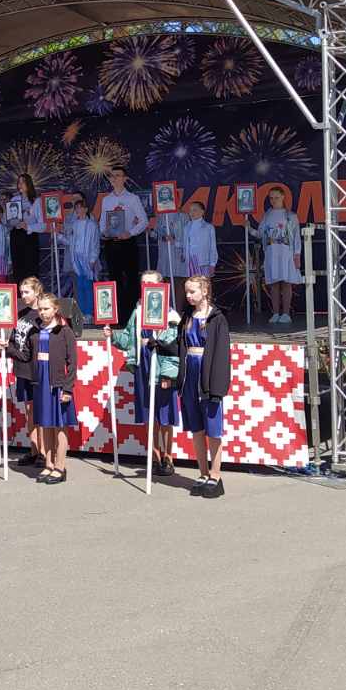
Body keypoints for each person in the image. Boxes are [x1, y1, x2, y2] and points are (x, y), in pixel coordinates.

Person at [156, 275, 232, 497]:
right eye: (187, 292)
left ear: (205, 291)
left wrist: (218, 387)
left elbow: (222, 354)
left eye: (193, 292)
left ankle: (216, 475)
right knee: (196, 428)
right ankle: (203, 473)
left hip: (207, 376)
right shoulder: (187, 317)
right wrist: (158, 344)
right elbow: (179, 345)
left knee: (213, 429)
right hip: (189, 374)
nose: (188, 296)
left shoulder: (217, 319)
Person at [106, 270, 181, 476]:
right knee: (150, 414)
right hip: (144, 364)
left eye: (150, 282)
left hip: (161, 364)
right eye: (143, 283)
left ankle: (168, 457)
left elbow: (173, 347)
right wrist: (113, 336)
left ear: (161, 285)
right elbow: (129, 338)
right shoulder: (138, 311)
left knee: (165, 413)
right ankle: (154, 457)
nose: (146, 286)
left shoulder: (170, 315)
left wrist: (168, 374)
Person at [29, 292, 78, 485]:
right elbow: (26, 355)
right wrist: (6, 349)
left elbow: (72, 363)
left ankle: (60, 467)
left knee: (60, 426)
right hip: (40, 384)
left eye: (46, 308)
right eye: (40, 309)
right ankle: (48, 464)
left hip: (57, 384)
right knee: (45, 425)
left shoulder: (65, 332)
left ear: (55, 309)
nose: (42, 312)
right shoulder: (35, 330)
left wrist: (68, 389)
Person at [5, 275, 47, 468]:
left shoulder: (42, 314)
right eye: (21, 292)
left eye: (26, 292)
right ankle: (34, 449)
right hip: (22, 369)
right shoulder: (21, 314)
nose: (23, 295)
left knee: (39, 411)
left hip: (35, 369)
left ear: (37, 292)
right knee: (29, 412)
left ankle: (44, 451)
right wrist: (8, 347)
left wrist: (12, 350)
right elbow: (14, 338)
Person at [99, 166, 149, 322]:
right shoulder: (106, 199)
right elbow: (102, 222)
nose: (114, 178)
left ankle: (133, 317)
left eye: (118, 175)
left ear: (124, 178)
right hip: (111, 243)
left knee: (131, 279)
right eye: (112, 176)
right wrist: (104, 232)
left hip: (127, 242)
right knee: (114, 279)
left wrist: (130, 232)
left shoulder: (132, 198)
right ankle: (117, 317)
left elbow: (144, 221)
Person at [258, 187, 302, 324]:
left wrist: (297, 255)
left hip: (286, 253)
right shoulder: (267, 215)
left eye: (276, 197)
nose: (273, 200)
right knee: (274, 284)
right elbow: (260, 234)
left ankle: (286, 313)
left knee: (286, 282)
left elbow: (296, 237)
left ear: (283, 197)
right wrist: (249, 228)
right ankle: (276, 313)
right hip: (271, 253)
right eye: (271, 198)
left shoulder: (290, 215)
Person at [61, 194, 101, 317]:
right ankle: (82, 312)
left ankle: (89, 312)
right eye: (76, 208)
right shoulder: (75, 225)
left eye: (80, 208)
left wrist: (93, 259)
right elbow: (70, 241)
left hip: (87, 259)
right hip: (76, 259)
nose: (78, 210)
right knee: (80, 285)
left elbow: (95, 243)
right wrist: (59, 237)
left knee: (88, 285)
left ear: (85, 209)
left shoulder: (92, 225)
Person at [6, 173, 46, 283]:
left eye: (23, 182)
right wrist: (12, 222)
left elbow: (43, 226)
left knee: (31, 270)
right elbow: (9, 221)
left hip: (29, 238)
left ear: (29, 184)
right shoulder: (14, 199)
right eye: (19, 182)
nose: (20, 184)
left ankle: (32, 292)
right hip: (16, 236)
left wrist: (28, 226)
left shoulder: (36, 201)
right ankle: (19, 293)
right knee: (18, 270)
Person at [182, 199, 218, 282]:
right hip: (190, 261)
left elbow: (212, 247)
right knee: (193, 285)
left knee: (205, 285)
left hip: (203, 262)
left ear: (202, 212)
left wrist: (212, 264)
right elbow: (185, 244)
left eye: (194, 210)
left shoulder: (208, 227)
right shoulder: (186, 227)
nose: (191, 213)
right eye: (190, 210)